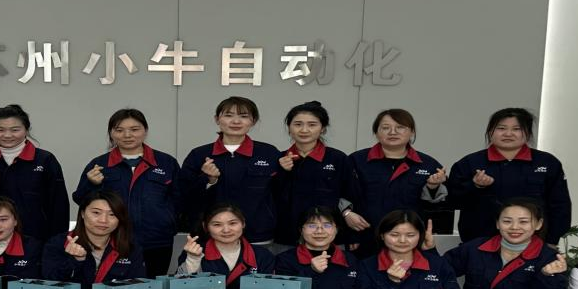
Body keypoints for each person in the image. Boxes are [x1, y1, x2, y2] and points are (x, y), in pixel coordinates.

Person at [443, 199, 569, 289]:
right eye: (507, 221)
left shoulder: (548, 257)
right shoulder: (475, 249)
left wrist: (548, 276)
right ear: (497, 223)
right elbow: (440, 271)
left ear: (538, 224)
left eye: (523, 222)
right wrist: (429, 252)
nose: (514, 227)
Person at [72, 108, 180, 277]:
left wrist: (168, 223)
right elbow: (81, 200)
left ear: (145, 131)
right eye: (119, 130)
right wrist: (91, 184)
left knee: (154, 287)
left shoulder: (166, 162)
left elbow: (180, 199)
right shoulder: (100, 164)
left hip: (157, 240)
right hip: (114, 241)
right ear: (111, 133)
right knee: (117, 287)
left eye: (134, 129)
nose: (127, 135)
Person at [448, 107, 572, 245]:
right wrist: (475, 185)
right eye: (501, 128)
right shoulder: (469, 163)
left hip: (535, 243)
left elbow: (560, 205)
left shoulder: (547, 162)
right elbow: (452, 201)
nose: (508, 134)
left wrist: (552, 241)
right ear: (490, 131)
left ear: (528, 133)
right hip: (479, 243)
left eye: (516, 129)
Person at [177, 96, 283, 245]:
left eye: (243, 116)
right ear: (217, 119)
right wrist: (208, 180)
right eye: (228, 115)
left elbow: (281, 193)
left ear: (253, 121)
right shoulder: (199, 154)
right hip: (210, 236)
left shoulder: (268, 153)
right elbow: (184, 195)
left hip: (257, 236)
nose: (236, 121)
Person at [343, 109, 447, 255]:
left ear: (412, 132)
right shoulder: (356, 160)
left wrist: (433, 187)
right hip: (364, 237)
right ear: (376, 132)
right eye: (386, 128)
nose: (393, 132)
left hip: (408, 241)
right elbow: (339, 193)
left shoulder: (428, 164)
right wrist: (346, 214)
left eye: (400, 127)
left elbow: (439, 208)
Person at [0, 104, 69, 241]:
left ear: (26, 129)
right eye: (0, 130)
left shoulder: (45, 160)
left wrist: (58, 241)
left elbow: (59, 204)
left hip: (38, 236)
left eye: (15, 130)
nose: (7, 135)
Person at [274, 102, 351, 247]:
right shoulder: (279, 158)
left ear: (323, 129)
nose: (304, 130)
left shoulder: (338, 159)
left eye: (312, 124)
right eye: (298, 124)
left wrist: (353, 235)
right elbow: (270, 198)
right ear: (289, 128)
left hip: (329, 237)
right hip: (287, 237)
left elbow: (351, 196)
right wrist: (282, 172)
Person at [43, 191, 146, 289]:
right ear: (83, 213)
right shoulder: (58, 244)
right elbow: (50, 286)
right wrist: (74, 261)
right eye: (96, 213)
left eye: (112, 214)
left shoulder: (131, 248)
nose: (103, 220)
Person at [177, 203, 275, 289]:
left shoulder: (262, 256)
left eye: (232, 223)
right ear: (205, 227)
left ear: (243, 223)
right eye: (217, 225)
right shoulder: (194, 251)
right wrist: (193, 260)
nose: (226, 230)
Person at [274, 207, 360, 289]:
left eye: (327, 225)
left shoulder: (350, 259)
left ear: (336, 229)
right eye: (312, 226)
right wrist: (311, 271)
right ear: (301, 230)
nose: (319, 231)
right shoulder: (285, 260)